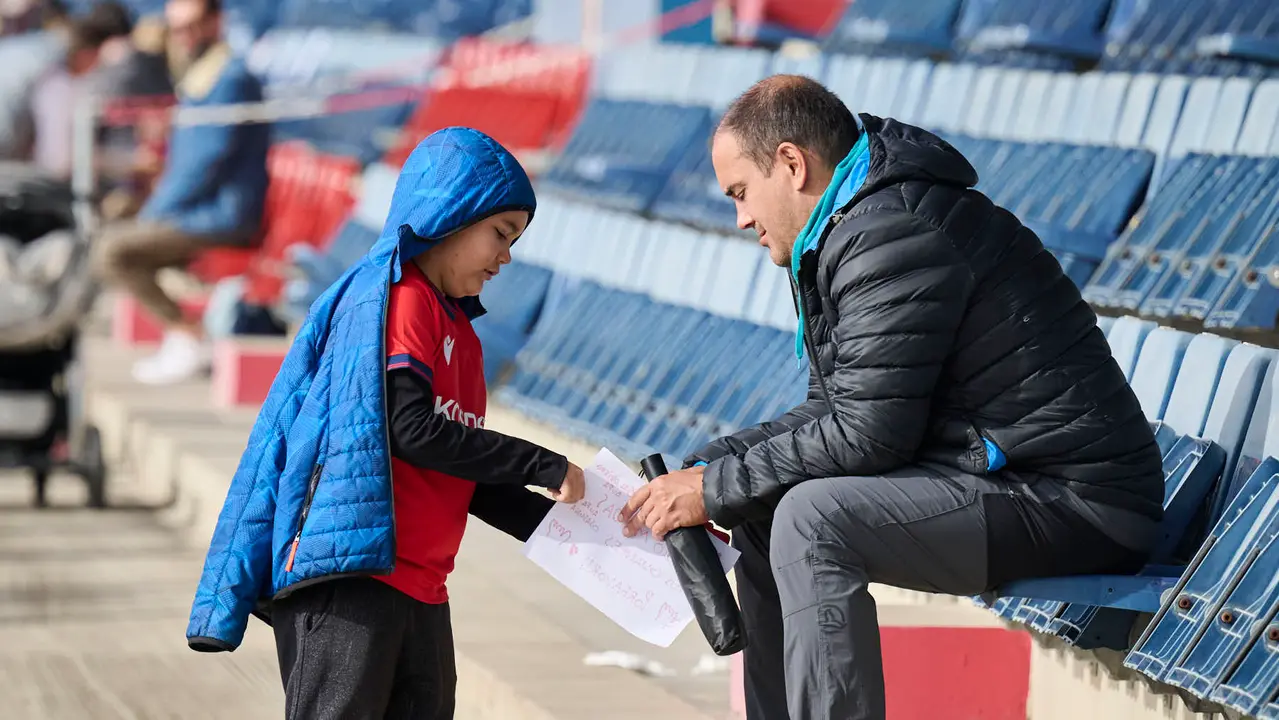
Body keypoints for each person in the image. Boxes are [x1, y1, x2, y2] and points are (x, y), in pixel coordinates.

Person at [618, 75, 1165, 720]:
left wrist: (712, 487)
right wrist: (714, 466)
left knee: (810, 520)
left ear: (792, 164)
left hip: (1075, 501)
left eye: (741, 192)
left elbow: (868, 433)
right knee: (760, 506)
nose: (740, 217)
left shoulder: (892, 232)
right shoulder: (853, 227)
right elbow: (835, 411)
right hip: (1006, 480)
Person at [187, 127, 585, 719]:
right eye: (500, 234)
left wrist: (585, 532)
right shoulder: (400, 300)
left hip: (422, 592)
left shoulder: (463, 339)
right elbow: (411, 429)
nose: (506, 257)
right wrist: (542, 463)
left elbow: (459, 473)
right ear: (452, 214)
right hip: (353, 585)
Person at [92, 0, 268, 385]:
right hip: (200, 210)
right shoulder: (204, 74)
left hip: (222, 216)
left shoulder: (230, 77)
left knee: (112, 252)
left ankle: (187, 335)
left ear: (216, 21)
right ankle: (184, 335)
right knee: (110, 226)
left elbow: (204, 161)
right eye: (176, 28)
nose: (182, 36)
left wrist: (156, 211)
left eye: (191, 25)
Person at [29, 3, 132, 179]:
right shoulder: (61, 90)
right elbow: (61, 162)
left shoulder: (59, 84)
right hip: (58, 191)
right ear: (88, 53)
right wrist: (132, 162)